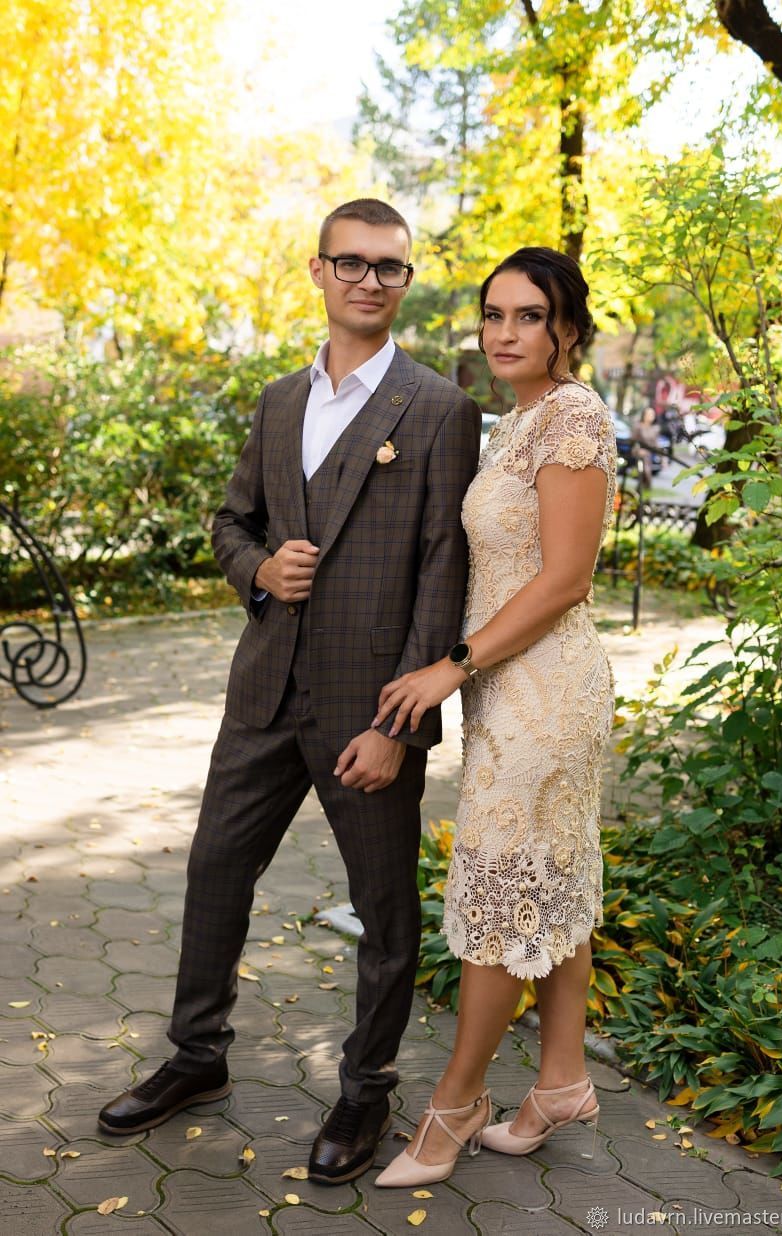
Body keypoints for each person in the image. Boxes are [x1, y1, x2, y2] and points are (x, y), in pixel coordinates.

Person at [97, 198, 481, 1187]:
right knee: (215, 871)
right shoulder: (278, 401)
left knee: (382, 911)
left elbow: (443, 569)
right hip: (264, 691)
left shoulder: (439, 409)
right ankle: (197, 1056)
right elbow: (231, 523)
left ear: (405, 281)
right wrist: (260, 571)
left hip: (369, 710)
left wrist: (399, 724)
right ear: (317, 271)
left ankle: (367, 1087)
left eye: (388, 267)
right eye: (350, 262)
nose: (368, 280)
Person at [370, 246, 616, 1187]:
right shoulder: (518, 419)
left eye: (529, 316)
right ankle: (561, 1081)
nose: (505, 333)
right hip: (508, 689)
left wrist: (452, 666)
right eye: (493, 314)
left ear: (567, 329)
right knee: (546, 876)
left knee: (499, 892)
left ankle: (457, 1103)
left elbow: (567, 578)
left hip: (544, 690)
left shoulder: (573, 416)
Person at [631, 405, 660, 486]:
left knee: (647, 466)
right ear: (644, 415)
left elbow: (656, 443)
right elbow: (633, 440)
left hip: (648, 453)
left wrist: (662, 457)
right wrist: (638, 450)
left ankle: (645, 484)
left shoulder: (655, 428)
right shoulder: (638, 426)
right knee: (643, 466)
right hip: (638, 451)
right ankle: (642, 482)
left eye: (653, 414)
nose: (651, 416)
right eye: (649, 414)